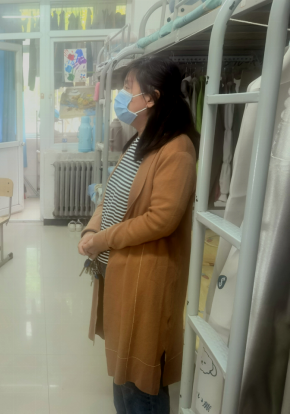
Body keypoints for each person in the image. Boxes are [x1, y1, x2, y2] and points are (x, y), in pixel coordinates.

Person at [78, 56, 199, 414]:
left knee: (142, 382)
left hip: (147, 280)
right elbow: (111, 193)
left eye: (128, 87)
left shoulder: (177, 149)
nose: (122, 95)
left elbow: (160, 220)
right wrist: (91, 228)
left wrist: (102, 240)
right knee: (123, 376)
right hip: (121, 271)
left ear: (151, 98)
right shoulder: (140, 141)